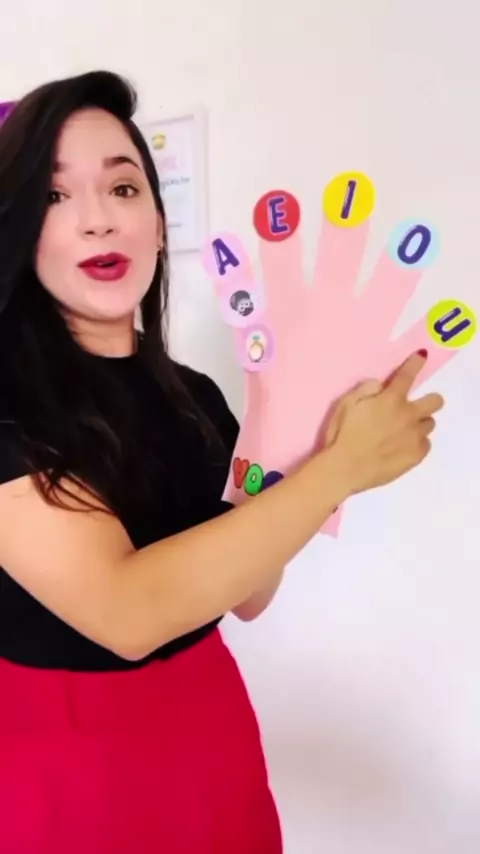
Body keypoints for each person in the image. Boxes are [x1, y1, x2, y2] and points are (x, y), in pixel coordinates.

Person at [0, 70, 443, 854]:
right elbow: (129, 615)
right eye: (55, 196)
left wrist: (294, 425)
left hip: (208, 726)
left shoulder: (193, 395)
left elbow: (248, 594)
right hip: (67, 760)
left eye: (124, 188)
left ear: (159, 225)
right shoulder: (10, 400)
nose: (98, 219)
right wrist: (339, 470)